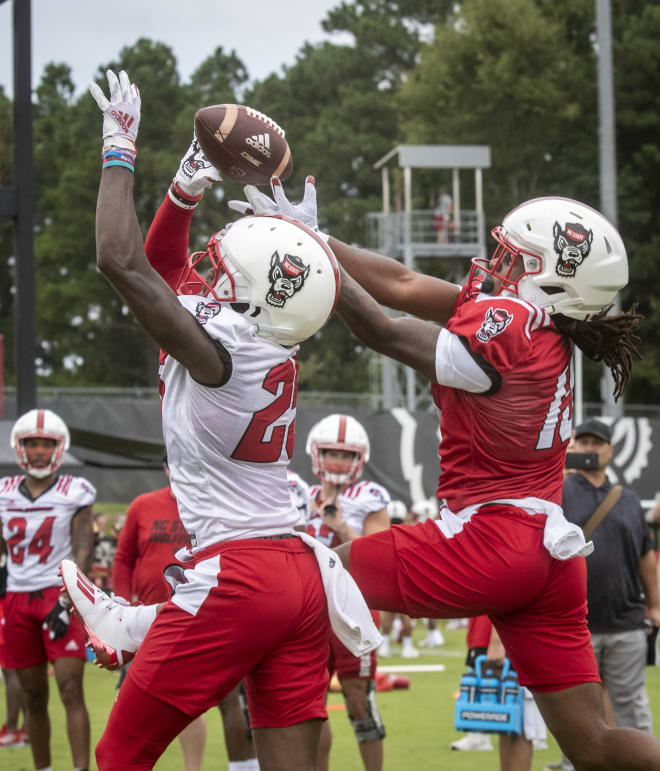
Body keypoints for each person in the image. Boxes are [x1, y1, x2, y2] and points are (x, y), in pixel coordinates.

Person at [232, 177, 660, 770]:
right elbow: (402, 283)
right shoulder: (545, 326)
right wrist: (317, 237)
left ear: (553, 279)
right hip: (549, 553)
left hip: (492, 538)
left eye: (517, 258)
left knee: (300, 577)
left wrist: (304, 253)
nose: (497, 263)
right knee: (595, 744)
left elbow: (381, 325)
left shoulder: (508, 328)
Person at [60, 70, 378, 771]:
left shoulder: (220, 349)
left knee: (118, 756)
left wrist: (120, 146)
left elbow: (122, 260)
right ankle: (136, 623)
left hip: (239, 574)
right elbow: (165, 260)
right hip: (296, 573)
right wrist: (188, 181)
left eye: (226, 260)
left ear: (251, 288)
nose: (212, 262)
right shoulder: (266, 337)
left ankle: (133, 626)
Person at [112, 455, 257, 771]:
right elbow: (124, 558)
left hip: (208, 617)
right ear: (165, 467)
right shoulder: (142, 506)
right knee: (136, 697)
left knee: (230, 700)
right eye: (174, 463)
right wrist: (121, 604)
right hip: (150, 617)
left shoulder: (218, 504)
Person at [0, 408, 95, 771]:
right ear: (19, 447)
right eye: (32, 443)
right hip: (17, 598)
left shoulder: (76, 491)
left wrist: (68, 599)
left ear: (59, 448)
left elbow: (83, 546)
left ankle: (81, 769)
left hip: (59, 595)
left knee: (71, 688)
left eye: (46, 444)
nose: (39, 451)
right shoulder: (4, 493)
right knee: (33, 695)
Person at [562, 420, 659, 733]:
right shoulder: (556, 494)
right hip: (574, 625)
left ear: (610, 450)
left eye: (597, 443)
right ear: (573, 447)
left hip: (626, 623)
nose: (591, 449)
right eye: (584, 443)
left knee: (631, 709)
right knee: (578, 719)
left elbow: (646, 555)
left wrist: (655, 605)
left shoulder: (629, 500)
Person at [305, 414, 389, 771]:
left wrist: (339, 526)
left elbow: (379, 557)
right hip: (309, 613)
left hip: (355, 610)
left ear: (360, 458)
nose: (338, 462)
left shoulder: (369, 496)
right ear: (315, 453)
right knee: (310, 706)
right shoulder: (298, 495)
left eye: (345, 455)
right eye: (331, 453)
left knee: (359, 702)